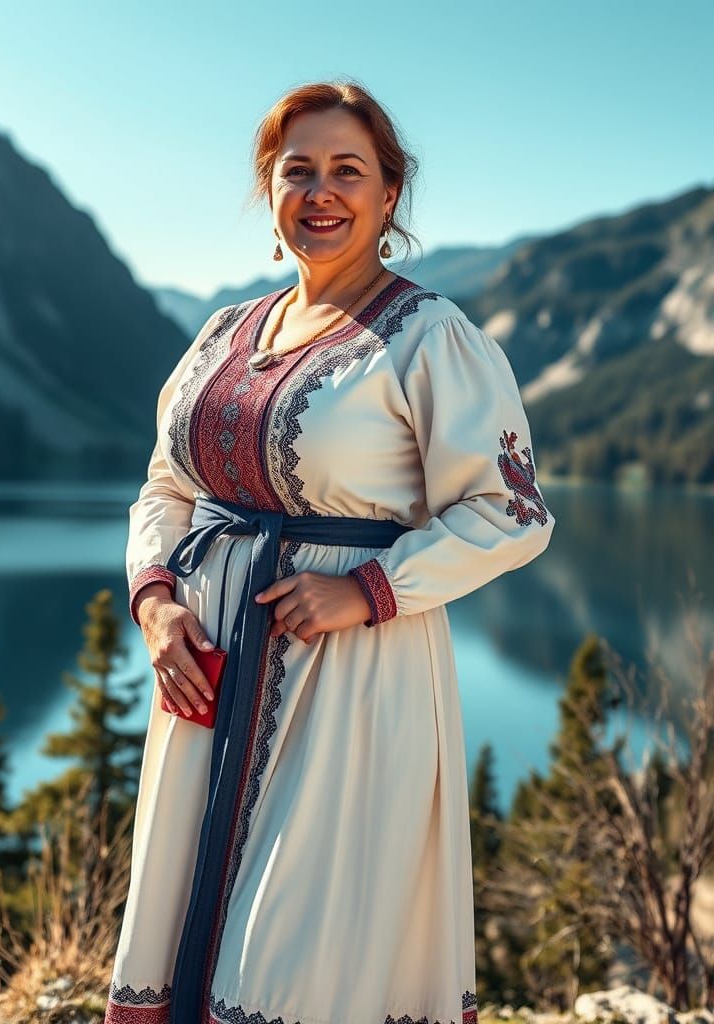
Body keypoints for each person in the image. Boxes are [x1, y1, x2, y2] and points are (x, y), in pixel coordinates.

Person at [104, 79, 555, 1024]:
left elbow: (512, 512)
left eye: (348, 170)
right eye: (296, 170)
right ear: (269, 191)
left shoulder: (430, 337)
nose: (320, 191)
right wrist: (156, 601)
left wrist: (372, 587)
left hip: (350, 682)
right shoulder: (224, 333)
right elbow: (166, 486)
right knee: (186, 925)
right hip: (205, 677)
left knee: (290, 958)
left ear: (390, 193)